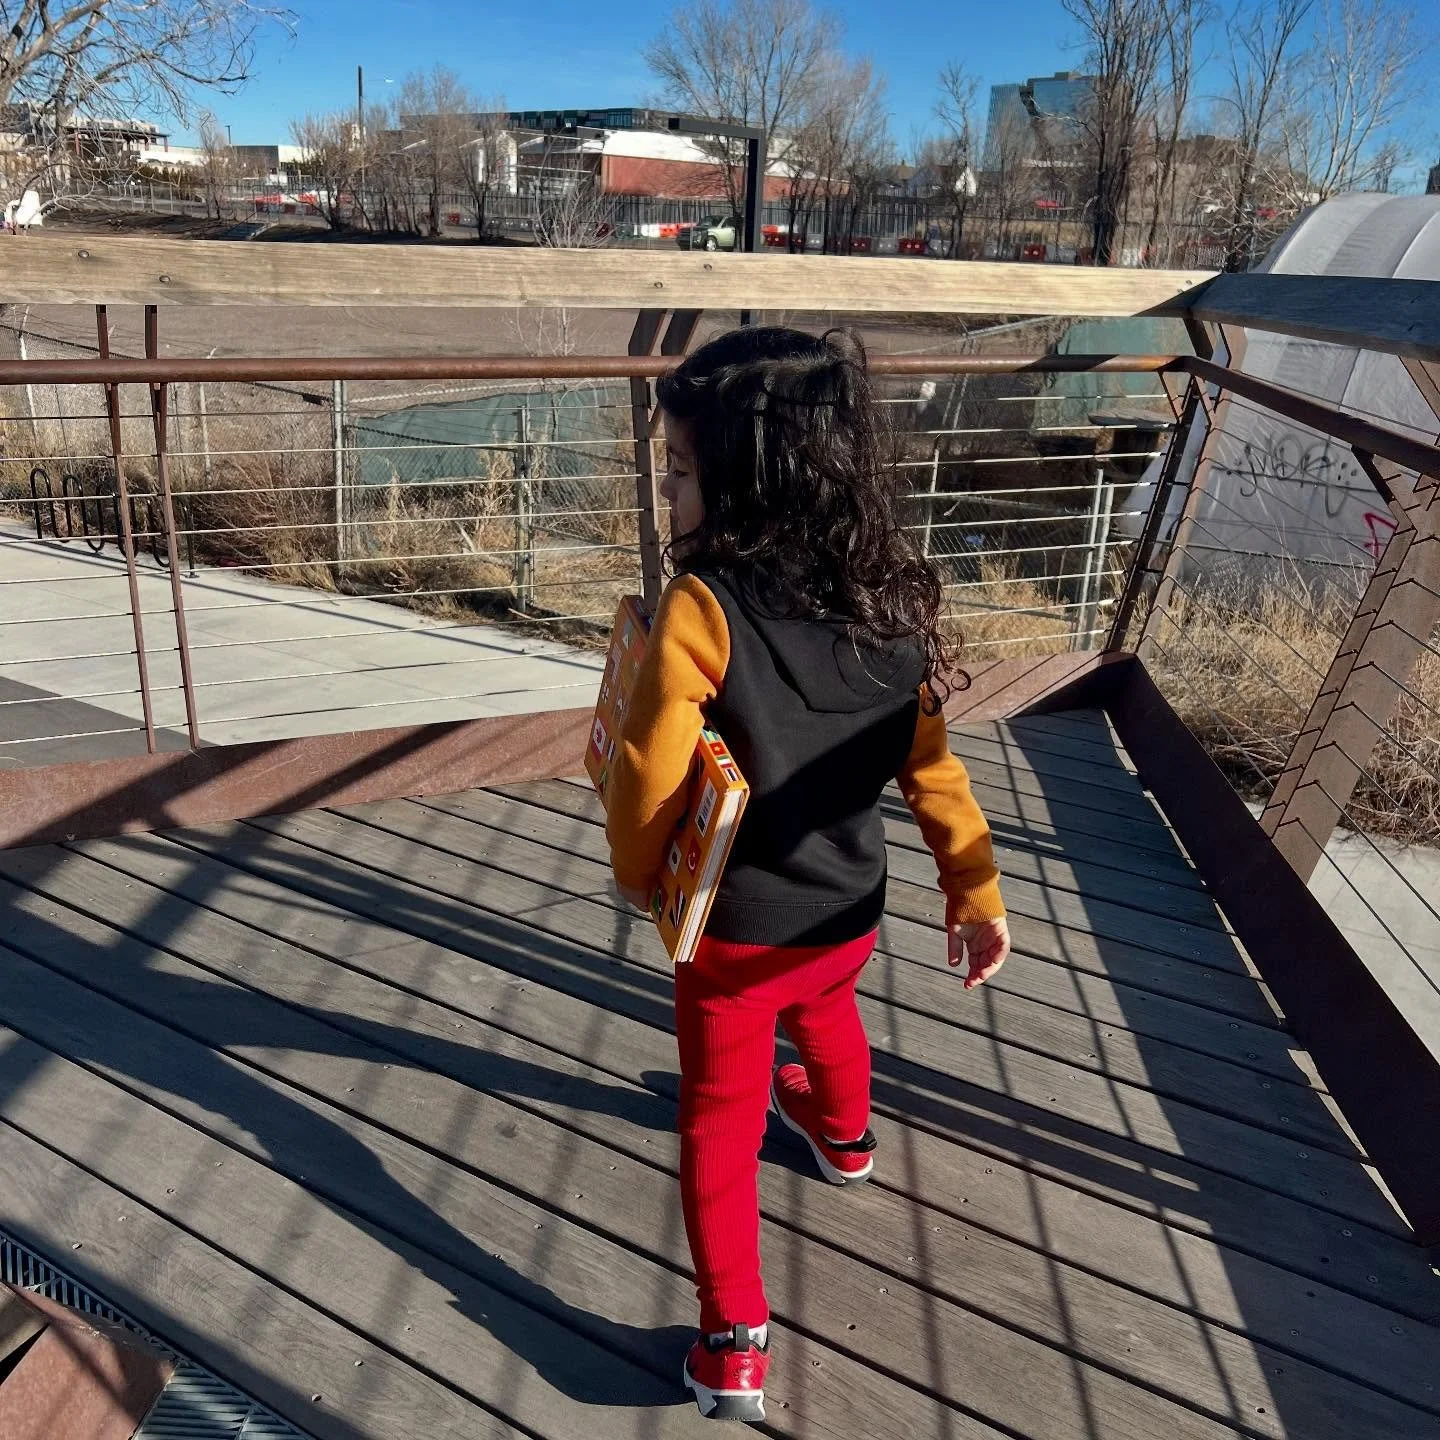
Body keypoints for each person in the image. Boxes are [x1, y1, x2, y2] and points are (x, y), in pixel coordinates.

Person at [604, 326, 1010, 1423]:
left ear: (739, 474)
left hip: (734, 931)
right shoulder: (892, 606)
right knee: (829, 1012)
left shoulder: (702, 610)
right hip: (848, 909)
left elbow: (647, 769)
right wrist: (974, 893)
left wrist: (641, 874)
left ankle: (734, 1338)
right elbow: (933, 769)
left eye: (681, 472)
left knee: (719, 1122)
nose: (669, 495)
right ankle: (844, 1139)